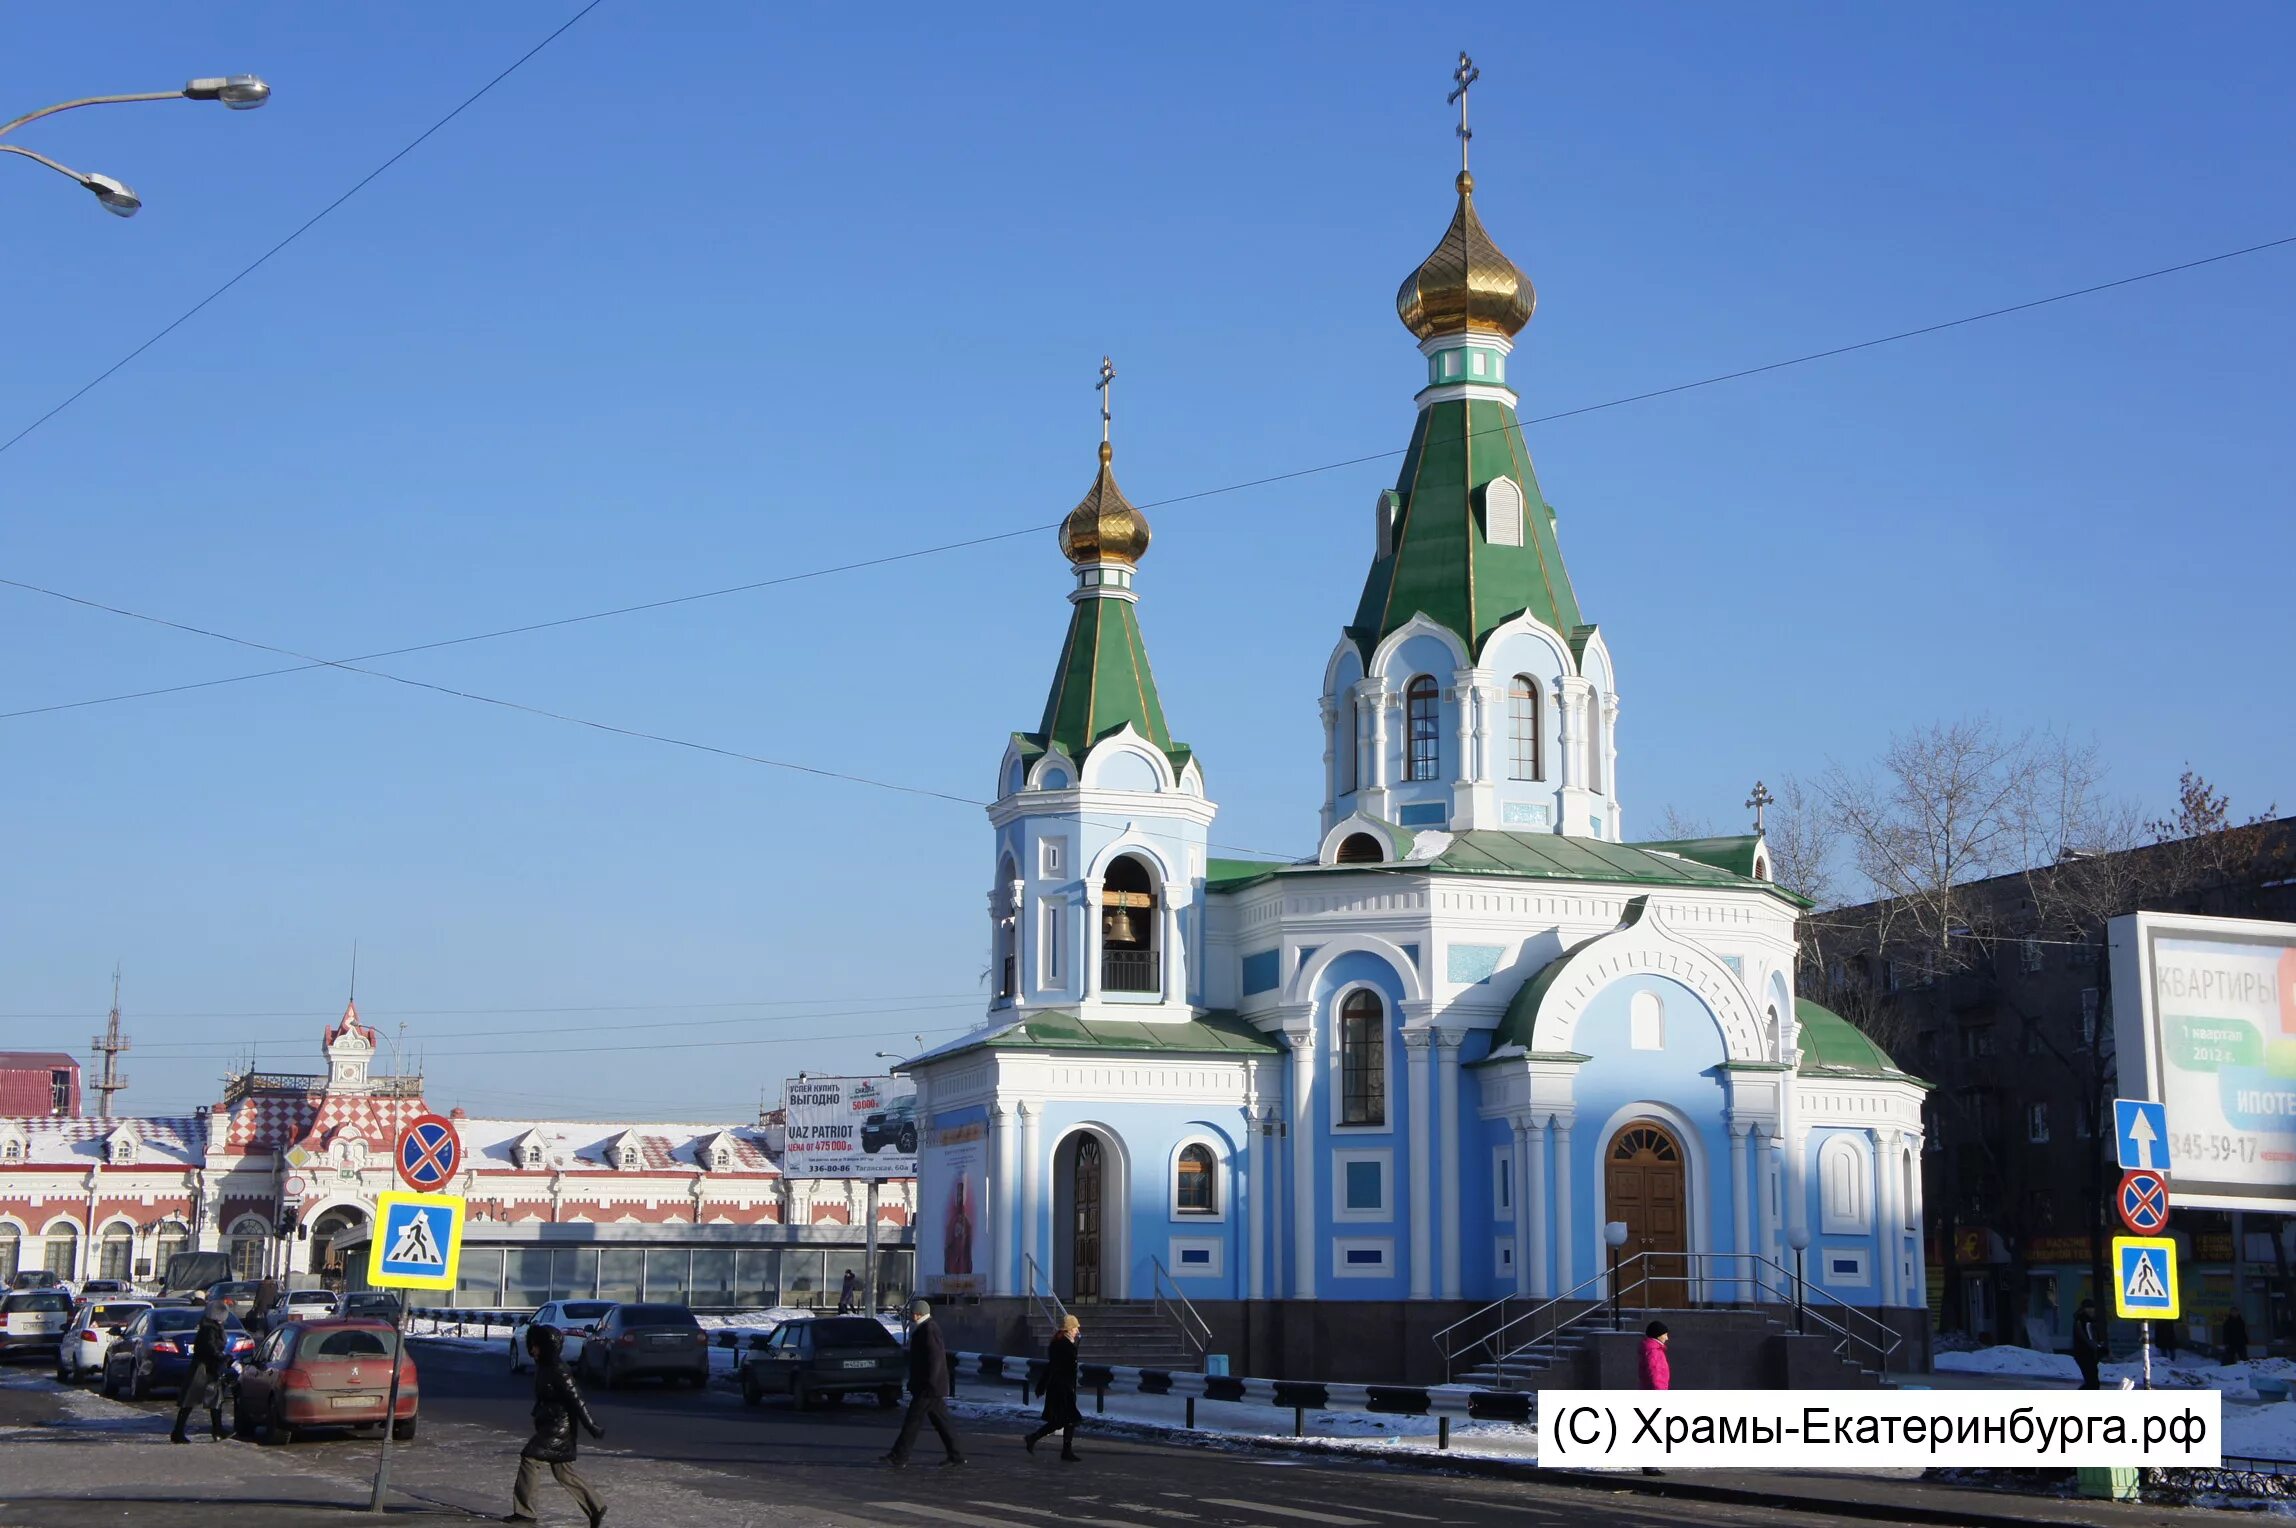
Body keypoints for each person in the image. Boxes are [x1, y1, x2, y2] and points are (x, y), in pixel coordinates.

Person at [505, 1324, 606, 1528]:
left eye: (536, 1346)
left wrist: (591, 1426)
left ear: (546, 1347)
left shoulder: (559, 1370)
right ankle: (596, 1506)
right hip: (550, 1424)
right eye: (531, 1346)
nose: (532, 1350)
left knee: (530, 1458)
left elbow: (577, 1400)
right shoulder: (543, 1366)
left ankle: (525, 1513)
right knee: (562, 1470)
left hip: (560, 1427)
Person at [884, 1298, 964, 1469]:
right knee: (942, 1422)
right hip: (929, 1387)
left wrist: (929, 1383)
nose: (910, 1315)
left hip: (928, 1387)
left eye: (911, 1312)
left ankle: (899, 1456)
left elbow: (934, 1359)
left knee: (912, 1422)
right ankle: (956, 1455)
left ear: (918, 1313)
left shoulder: (929, 1329)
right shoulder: (925, 1328)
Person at [171, 1293, 237, 1444]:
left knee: (215, 1399)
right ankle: (179, 1432)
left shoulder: (211, 1327)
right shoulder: (210, 1329)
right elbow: (210, 1348)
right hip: (203, 1369)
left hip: (207, 1367)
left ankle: (216, 1430)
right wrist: (223, 1357)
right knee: (192, 1401)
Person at [1023, 1314, 1083, 1461]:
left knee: (1066, 1419)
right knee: (1067, 1419)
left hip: (1065, 1387)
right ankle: (1035, 1439)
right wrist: (1044, 1385)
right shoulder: (1062, 1345)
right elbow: (1054, 1367)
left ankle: (1061, 1449)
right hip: (1061, 1388)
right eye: (1075, 1327)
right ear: (1068, 1329)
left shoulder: (1064, 1343)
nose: (1077, 1330)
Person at [2072, 1299, 2106, 1390]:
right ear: (2083, 1309)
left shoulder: (2091, 1321)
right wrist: (2098, 1348)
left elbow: (2095, 1337)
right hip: (2084, 1354)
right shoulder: (2083, 1321)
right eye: (2088, 1308)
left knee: (2092, 1381)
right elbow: (2087, 1339)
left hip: (2089, 1354)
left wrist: (2100, 1346)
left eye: (2092, 1308)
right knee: (2092, 1382)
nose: (2091, 1310)